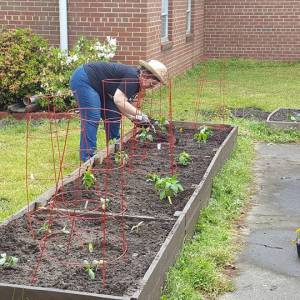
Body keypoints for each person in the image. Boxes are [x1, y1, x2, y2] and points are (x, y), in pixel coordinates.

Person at [70, 59, 168, 162]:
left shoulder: (136, 81)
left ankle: (114, 149)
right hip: (84, 79)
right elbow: (119, 100)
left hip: (101, 87)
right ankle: (88, 158)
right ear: (147, 75)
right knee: (92, 116)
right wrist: (141, 115)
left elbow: (121, 104)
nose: (151, 87)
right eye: (152, 84)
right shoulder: (133, 78)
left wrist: (135, 118)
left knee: (113, 114)